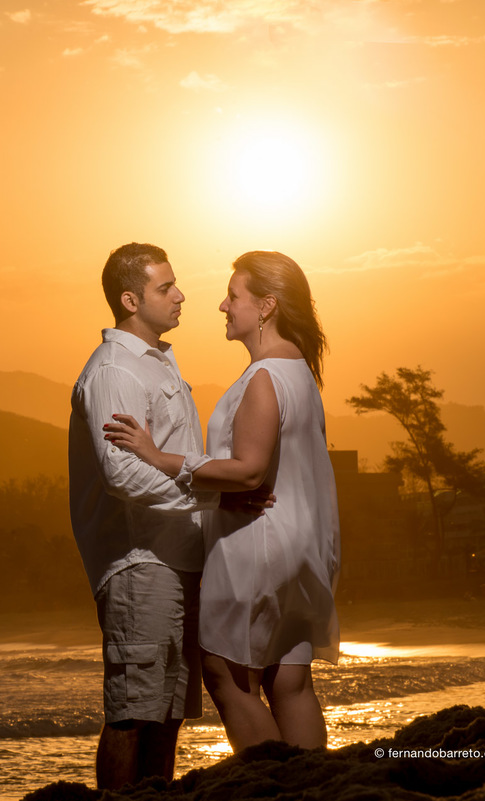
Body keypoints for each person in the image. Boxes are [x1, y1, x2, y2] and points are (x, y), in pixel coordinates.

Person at [105, 250, 340, 753]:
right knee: (289, 680)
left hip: (256, 543)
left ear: (267, 306)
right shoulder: (300, 372)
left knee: (228, 677)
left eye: (234, 296)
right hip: (302, 544)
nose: (222, 306)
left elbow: (250, 470)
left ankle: (269, 782)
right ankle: (318, 785)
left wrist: (158, 456)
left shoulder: (264, 377)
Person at [69, 242, 222, 790]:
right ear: (130, 300)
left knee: (168, 713)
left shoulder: (156, 361)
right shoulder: (114, 370)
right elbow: (123, 474)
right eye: (166, 287)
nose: (181, 296)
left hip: (178, 556)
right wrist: (212, 497)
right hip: (139, 562)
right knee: (134, 711)